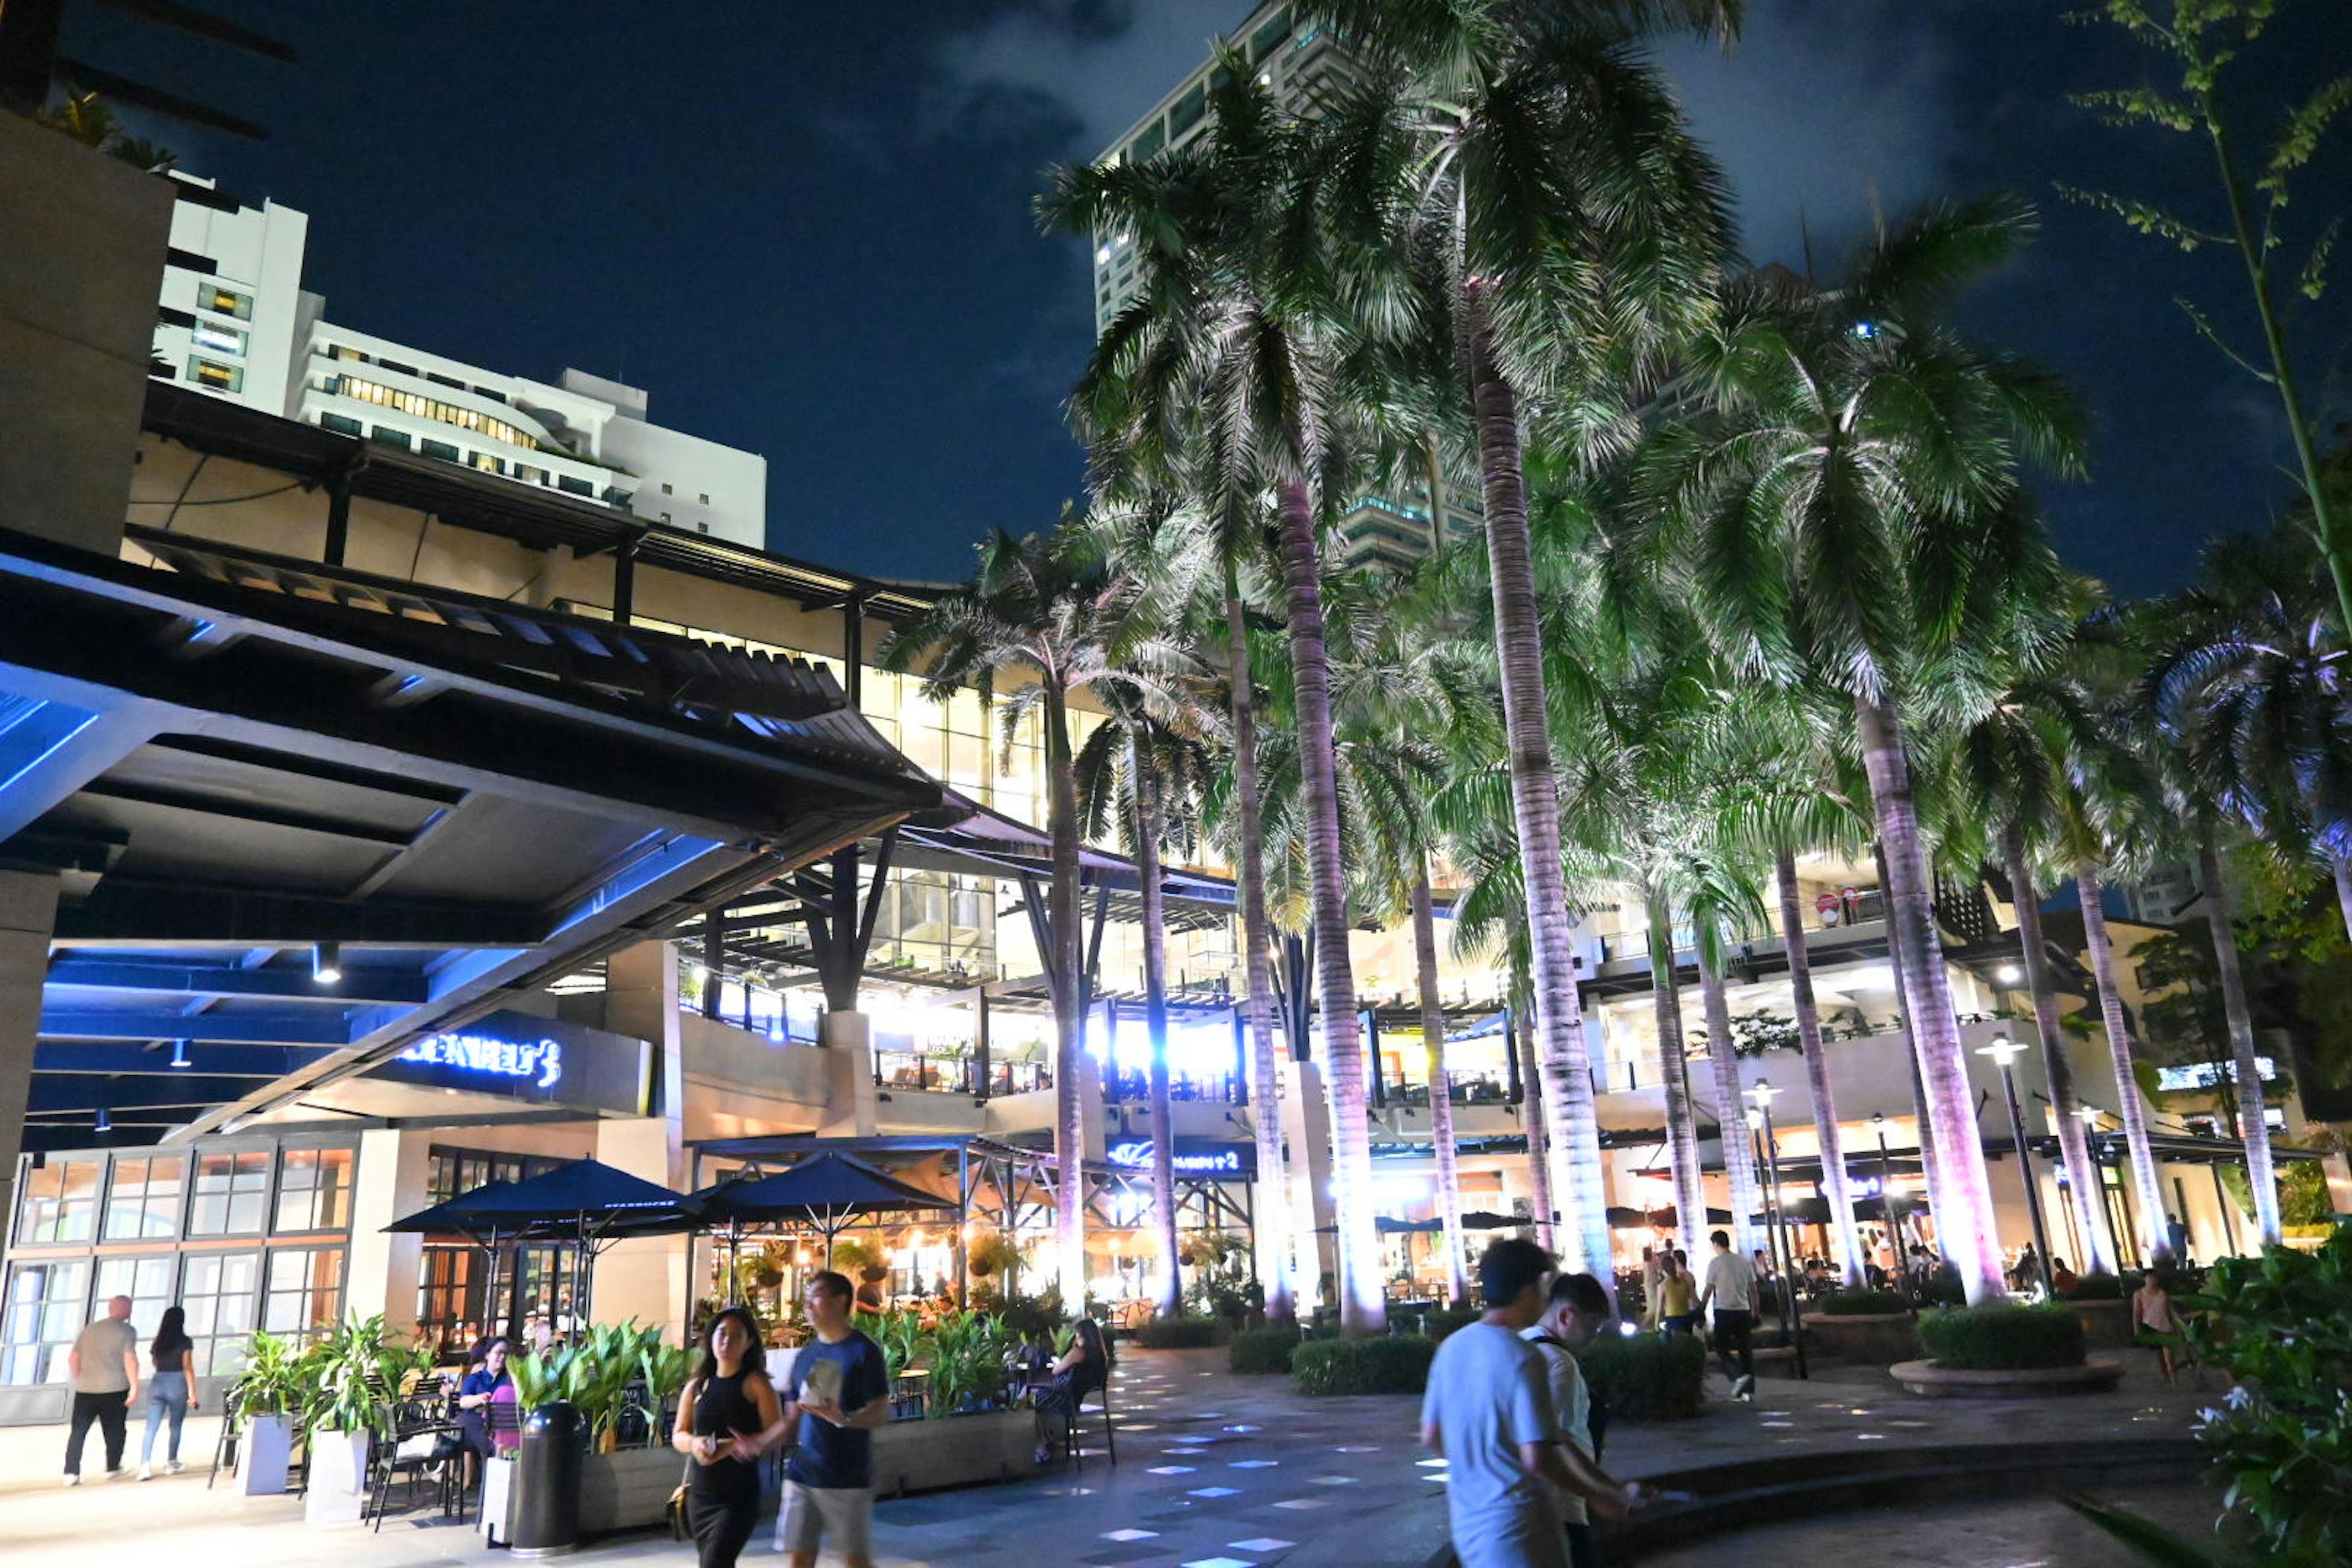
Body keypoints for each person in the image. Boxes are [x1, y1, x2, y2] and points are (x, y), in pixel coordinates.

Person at [1421, 1238, 1630, 1568]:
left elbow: (1432, 1435)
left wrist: (1482, 1468)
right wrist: (1598, 1495)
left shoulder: (1451, 1348)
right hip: (1521, 1530)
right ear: (1528, 1289)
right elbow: (1539, 1456)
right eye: (1543, 1285)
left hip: (1470, 1526)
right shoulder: (1523, 1357)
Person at [1522, 1273, 1640, 1568]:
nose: (1594, 1336)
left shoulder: (1522, 1345)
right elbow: (1557, 1441)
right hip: (1563, 1508)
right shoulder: (1560, 1363)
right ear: (1565, 1316)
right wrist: (1603, 1491)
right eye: (1592, 1326)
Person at [773, 1271, 889, 1568]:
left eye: (816, 1296)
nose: (808, 1305)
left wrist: (844, 1419)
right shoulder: (806, 1355)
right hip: (803, 1473)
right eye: (807, 1297)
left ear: (840, 1301)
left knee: (854, 1560)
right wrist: (759, 1441)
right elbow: (792, 1417)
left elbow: (879, 1411)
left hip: (846, 1475)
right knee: (799, 1557)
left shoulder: (863, 1351)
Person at [673, 1305, 787, 1568]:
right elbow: (678, 1434)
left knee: (715, 1563)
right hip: (701, 1495)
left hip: (738, 1496)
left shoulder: (756, 1384)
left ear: (748, 1344)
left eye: (736, 1335)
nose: (727, 1341)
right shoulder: (698, 1385)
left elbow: (777, 1432)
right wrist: (695, 1443)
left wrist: (735, 1445)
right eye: (722, 1333)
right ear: (711, 1337)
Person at [63, 1294, 139, 1485]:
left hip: (86, 1389)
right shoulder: (127, 1330)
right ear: (125, 1309)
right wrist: (135, 1386)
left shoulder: (90, 1330)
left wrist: (79, 1377)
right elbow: (129, 1357)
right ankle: (113, 1467)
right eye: (130, 1307)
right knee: (115, 1430)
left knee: (78, 1431)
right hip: (115, 1388)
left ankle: (71, 1472)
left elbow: (73, 1358)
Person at [1032, 1314, 1111, 1463]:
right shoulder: (1101, 1356)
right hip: (1076, 1399)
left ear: (1082, 1334)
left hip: (1065, 1399)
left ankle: (1040, 1447)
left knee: (1028, 1402)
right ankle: (1043, 1442)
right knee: (1031, 1396)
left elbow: (1056, 1371)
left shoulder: (1079, 1352)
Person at [137, 1305, 197, 1479]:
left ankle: (145, 1465)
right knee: (175, 1425)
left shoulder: (158, 1342)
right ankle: (172, 1462)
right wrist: (192, 1393)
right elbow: (187, 1366)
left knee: (151, 1426)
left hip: (158, 1381)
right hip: (177, 1382)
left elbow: (156, 1363)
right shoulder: (185, 1341)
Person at [1696, 1230, 1757, 1400]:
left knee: (1721, 1347)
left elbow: (1708, 1289)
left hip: (1724, 1311)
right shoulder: (1744, 1262)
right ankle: (1748, 1393)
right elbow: (1753, 1289)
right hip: (1743, 1310)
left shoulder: (1715, 1263)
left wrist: (1701, 1309)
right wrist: (1756, 1311)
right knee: (1745, 1351)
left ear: (1716, 1244)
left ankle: (1738, 1376)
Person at [454, 1336, 513, 1493]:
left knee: (466, 1423)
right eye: (498, 1353)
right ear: (487, 1355)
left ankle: (491, 1459)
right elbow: (463, 1402)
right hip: (477, 1424)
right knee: (468, 1420)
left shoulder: (509, 1379)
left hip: (500, 1426)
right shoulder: (475, 1378)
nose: (502, 1357)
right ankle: (493, 1456)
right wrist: (480, 1398)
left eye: (505, 1354)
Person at [2131, 1268, 2198, 1389]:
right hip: (2150, 1326)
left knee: (2169, 1357)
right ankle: (2166, 1377)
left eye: (2154, 1278)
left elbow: (2170, 1312)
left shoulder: (2163, 1293)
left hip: (2165, 1327)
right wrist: (2137, 1329)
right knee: (2160, 1355)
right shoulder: (2139, 1294)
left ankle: (2174, 1381)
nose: (2152, 1280)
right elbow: (2137, 1313)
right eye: (2149, 1278)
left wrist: (2177, 1326)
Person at [1647, 1253, 1697, 1336]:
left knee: (1676, 1345)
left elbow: (1659, 1308)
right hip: (1686, 1317)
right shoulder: (1684, 1281)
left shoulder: (1663, 1286)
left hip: (1672, 1319)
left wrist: (1656, 1325)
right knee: (1687, 1344)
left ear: (1663, 1269)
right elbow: (1693, 1298)